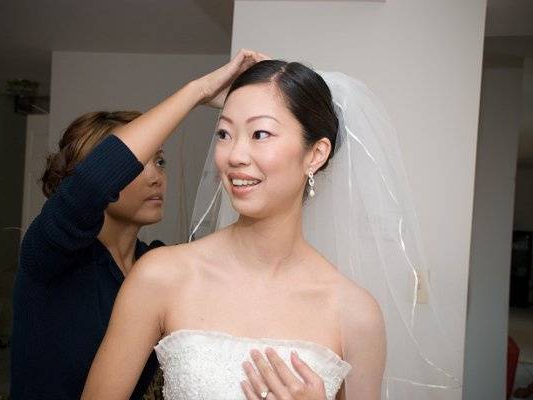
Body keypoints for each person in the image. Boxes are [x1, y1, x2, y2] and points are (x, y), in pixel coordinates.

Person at [82, 61, 389, 400]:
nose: (235, 155)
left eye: (260, 134)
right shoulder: (161, 275)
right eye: (224, 134)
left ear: (315, 154)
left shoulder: (356, 313)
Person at [10, 49, 266, 399]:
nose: (156, 177)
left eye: (159, 161)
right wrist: (198, 92)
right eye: (138, 164)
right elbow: (93, 184)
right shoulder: (49, 255)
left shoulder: (156, 265)